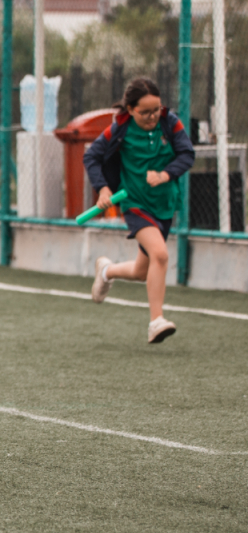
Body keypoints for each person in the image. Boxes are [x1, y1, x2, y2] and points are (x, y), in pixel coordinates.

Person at [86, 77, 194, 344]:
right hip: (135, 204)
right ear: (130, 109)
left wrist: (166, 175)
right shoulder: (118, 129)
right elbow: (92, 157)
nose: (152, 116)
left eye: (156, 109)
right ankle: (156, 321)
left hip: (165, 203)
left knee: (142, 271)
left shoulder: (171, 122)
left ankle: (106, 271)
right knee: (160, 254)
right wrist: (102, 189)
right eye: (145, 112)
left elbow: (187, 154)